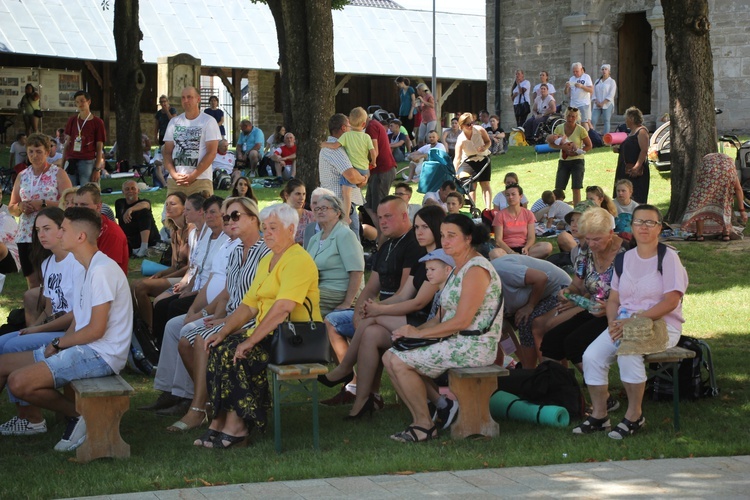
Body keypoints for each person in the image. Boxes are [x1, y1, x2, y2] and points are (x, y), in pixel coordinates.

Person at [0, 207, 133, 452]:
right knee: (3, 364)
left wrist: (59, 344)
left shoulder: (101, 270)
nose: (58, 233)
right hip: (82, 348)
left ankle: (79, 416)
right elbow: (79, 321)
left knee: (19, 382)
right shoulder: (87, 266)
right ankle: (73, 417)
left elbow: (95, 330)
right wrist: (59, 343)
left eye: (63, 229)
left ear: (80, 236)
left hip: (101, 355)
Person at [199, 203, 321, 449]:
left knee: (237, 354)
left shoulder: (298, 260)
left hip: (294, 339)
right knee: (219, 347)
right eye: (265, 228)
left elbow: (282, 309)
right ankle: (219, 420)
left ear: (291, 229)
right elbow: (248, 306)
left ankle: (238, 426)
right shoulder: (267, 259)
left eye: (273, 228)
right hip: (269, 333)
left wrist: (249, 341)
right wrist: (222, 332)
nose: (267, 233)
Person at [140, 198, 269, 425]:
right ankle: (204, 398)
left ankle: (198, 407)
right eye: (227, 216)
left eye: (235, 216)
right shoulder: (237, 249)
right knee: (183, 339)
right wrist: (214, 314)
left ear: (253, 218)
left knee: (199, 338)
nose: (229, 221)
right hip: (229, 313)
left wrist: (222, 318)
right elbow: (228, 292)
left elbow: (256, 301)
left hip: (250, 318)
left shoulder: (264, 252)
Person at [382, 214, 503, 442]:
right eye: (442, 236)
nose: (445, 241)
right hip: (457, 341)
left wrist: (418, 333)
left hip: (475, 346)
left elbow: (462, 321)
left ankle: (424, 426)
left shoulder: (477, 269)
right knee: (389, 356)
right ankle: (429, 415)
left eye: (451, 236)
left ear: (468, 239)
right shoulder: (456, 269)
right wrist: (408, 333)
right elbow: (439, 319)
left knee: (398, 361)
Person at [319, 206, 446, 418]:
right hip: (411, 319)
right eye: (417, 227)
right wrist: (376, 308)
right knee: (369, 333)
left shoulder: (440, 259)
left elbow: (417, 303)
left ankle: (346, 368)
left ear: (436, 228)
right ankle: (363, 401)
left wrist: (378, 310)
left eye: (425, 227)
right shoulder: (424, 258)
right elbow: (403, 295)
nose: (419, 232)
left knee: (372, 320)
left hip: (428, 323)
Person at [575, 205, 688, 439]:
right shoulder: (624, 259)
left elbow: (671, 301)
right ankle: (599, 415)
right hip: (624, 322)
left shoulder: (668, 258)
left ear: (659, 228)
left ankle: (634, 416)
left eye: (650, 223)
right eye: (639, 222)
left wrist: (634, 321)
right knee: (591, 356)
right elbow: (614, 298)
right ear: (632, 226)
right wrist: (612, 323)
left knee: (628, 353)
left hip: (661, 324)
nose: (644, 227)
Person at [0, 208, 83, 437]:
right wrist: (32, 327)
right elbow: (49, 306)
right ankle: (24, 415)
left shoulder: (76, 263)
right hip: (52, 326)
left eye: (47, 229)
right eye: (38, 230)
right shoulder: (48, 263)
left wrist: (37, 329)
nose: (41, 235)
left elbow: (76, 315)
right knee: (3, 341)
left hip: (70, 332)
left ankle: (32, 419)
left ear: (62, 230)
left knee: (11, 346)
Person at [540, 208, 625, 380]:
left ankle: (602, 394)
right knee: (551, 341)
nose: (592, 244)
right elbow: (577, 284)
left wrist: (609, 306)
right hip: (594, 310)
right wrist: (567, 292)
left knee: (575, 343)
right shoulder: (586, 251)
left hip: (620, 314)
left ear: (610, 233)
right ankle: (560, 390)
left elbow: (637, 295)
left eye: (597, 239)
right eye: (588, 239)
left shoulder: (626, 254)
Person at [8, 133, 73, 288]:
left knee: (51, 279)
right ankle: (35, 311)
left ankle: (52, 310)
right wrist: (20, 207)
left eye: (38, 151)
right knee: (32, 281)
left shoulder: (58, 173)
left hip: (52, 233)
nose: (34, 155)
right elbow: (12, 208)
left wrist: (43, 203)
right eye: (31, 151)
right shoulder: (22, 176)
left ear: (46, 152)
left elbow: (69, 203)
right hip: (26, 234)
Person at [491, 251, 571, 368]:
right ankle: (527, 368)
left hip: (560, 289)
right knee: (505, 326)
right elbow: (502, 330)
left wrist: (530, 306)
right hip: (538, 296)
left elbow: (541, 277)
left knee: (532, 322)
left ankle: (548, 371)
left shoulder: (502, 270)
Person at [131, 192, 191, 331]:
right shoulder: (174, 231)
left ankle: (150, 328)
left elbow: (190, 266)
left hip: (187, 278)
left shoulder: (191, 230)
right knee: (134, 284)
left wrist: (165, 277)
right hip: (177, 275)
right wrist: (161, 274)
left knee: (142, 287)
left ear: (184, 207)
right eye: (167, 204)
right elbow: (174, 265)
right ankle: (140, 324)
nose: (168, 207)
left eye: (173, 204)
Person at [305, 194, 364, 317]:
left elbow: (357, 272)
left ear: (337, 212)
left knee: (299, 302)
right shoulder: (315, 239)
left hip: (339, 291)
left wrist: (347, 303)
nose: (319, 211)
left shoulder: (345, 235)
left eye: (324, 208)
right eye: (317, 209)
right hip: (318, 288)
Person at [162, 86, 221, 197]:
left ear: (198, 99)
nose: (186, 100)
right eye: (183, 97)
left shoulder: (208, 121)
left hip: (200, 180)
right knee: (172, 214)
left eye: (189, 97)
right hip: (176, 181)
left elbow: (211, 153)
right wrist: (174, 174)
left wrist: (193, 175)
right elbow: (167, 152)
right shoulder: (174, 122)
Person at [320, 107, 375, 224]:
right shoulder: (334, 150)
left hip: (341, 206)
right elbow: (351, 175)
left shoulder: (346, 146)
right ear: (344, 128)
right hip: (338, 206)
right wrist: (363, 178)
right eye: (350, 126)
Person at [681, 152, 748, 241]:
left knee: (700, 204)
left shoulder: (707, 162)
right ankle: (725, 234)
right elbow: (738, 189)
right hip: (727, 172)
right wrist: (742, 210)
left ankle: (699, 235)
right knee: (725, 202)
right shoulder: (728, 164)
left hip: (709, 172)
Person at [73, 184, 129, 275]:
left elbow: (108, 272)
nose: (78, 209)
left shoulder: (111, 233)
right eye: (76, 205)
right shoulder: (77, 227)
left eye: (84, 205)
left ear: (98, 207)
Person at [492, 184, 552, 259]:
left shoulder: (528, 213)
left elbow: (531, 237)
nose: (510, 197)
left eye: (513, 194)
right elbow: (498, 240)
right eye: (507, 195)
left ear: (520, 196)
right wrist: (511, 252)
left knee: (547, 246)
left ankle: (517, 260)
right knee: (494, 253)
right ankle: (521, 259)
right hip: (506, 249)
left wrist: (526, 248)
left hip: (525, 249)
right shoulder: (500, 215)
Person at [548, 107, 593, 205]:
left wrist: (579, 152)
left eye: (573, 116)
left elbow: (589, 145)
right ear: (565, 116)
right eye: (568, 116)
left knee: (576, 187)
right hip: (564, 160)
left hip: (577, 161)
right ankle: (557, 208)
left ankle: (577, 209)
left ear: (577, 118)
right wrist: (562, 147)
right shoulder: (559, 128)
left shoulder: (581, 130)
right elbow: (551, 143)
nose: (570, 118)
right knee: (559, 188)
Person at [62, 90, 106, 186]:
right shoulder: (72, 120)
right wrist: (62, 164)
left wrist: (97, 169)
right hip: (72, 160)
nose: (80, 104)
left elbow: (99, 148)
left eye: (82, 101)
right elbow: (67, 143)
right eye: (77, 102)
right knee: (70, 190)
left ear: (88, 102)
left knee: (87, 190)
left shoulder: (97, 122)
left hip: (87, 160)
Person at [364, 113, 397, 232]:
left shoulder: (371, 127)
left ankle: (386, 238)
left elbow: (374, 152)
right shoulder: (373, 125)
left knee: (379, 210)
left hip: (382, 171)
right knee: (368, 205)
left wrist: (365, 166)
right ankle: (381, 237)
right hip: (378, 171)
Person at [454, 112, 493, 211]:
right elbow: (457, 158)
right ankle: (473, 207)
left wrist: (484, 147)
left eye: (472, 123)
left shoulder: (479, 130)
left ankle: (488, 209)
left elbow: (488, 142)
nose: (471, 126)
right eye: (468, 124)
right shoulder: (460, 140)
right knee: (470, 184)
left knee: (485, 183)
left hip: (483, 158)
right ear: (461, 126)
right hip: (469, 160)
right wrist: (455, 172)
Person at [613, 106, 650, 204]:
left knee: (636, 196)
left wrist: (637, 166)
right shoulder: (631, 132)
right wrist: (619, 149)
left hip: (635, 171)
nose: (625, 121)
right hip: (625, 169)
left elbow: (644, 150)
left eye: (627, 118)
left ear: (632, 118)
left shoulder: (641, 131)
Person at [115, 180, 159, 257]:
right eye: (127, 189)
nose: (130, 191)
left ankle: (144, 248)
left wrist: (130, 209)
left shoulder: (144, 202)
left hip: (149, 239)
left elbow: (146, 205)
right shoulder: (119, 203)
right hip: (130, 238)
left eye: (133, 188)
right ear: (123, 192)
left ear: (138, 191)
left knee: (144, 212)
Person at [279, 179, 314, 245]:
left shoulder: (311, 217)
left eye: (304, 194)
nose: (302, 198)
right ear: (286, 195)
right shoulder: (277, 216)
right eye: (298, 194)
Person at [564, 62, 594, 130]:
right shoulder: (571, 78)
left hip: (583, 103)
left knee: (584, 122)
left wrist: (582, 86)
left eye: (577, 71)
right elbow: (566, 93)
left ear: (581, 70)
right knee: (574, 122)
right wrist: (566, 87)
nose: (575, 73)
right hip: (573, 104)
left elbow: (591, 90)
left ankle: (587, 137)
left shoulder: (586, 77)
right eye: (573, 71)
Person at [591, 65, 617, 134]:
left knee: (606, 120)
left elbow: (611, 94)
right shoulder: (597, 81)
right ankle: (593, 136)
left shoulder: (612, 82)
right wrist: (596, 101)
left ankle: (606, 138)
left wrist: (603, 103)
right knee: (593, 120)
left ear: (609, 71)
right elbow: (593, 92)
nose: (604, 71)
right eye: (603, 69)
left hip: (607, 104)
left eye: (606, 69)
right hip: (597, 104)